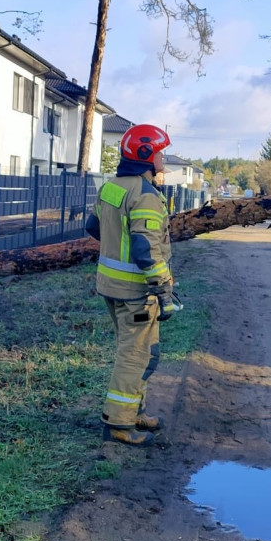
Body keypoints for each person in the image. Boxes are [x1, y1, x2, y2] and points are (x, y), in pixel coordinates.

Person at [86, 123, 180, 447]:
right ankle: (119, 424)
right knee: (134, 357)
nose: (163, 158)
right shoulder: (146, 196)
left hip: (111, 286)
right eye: (160, 152)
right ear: (146, 155)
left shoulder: (111, 187)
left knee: (145, 353)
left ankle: (135, 411)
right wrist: (163, 287)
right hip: (137, 292)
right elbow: (145, 249)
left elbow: (94, 227)